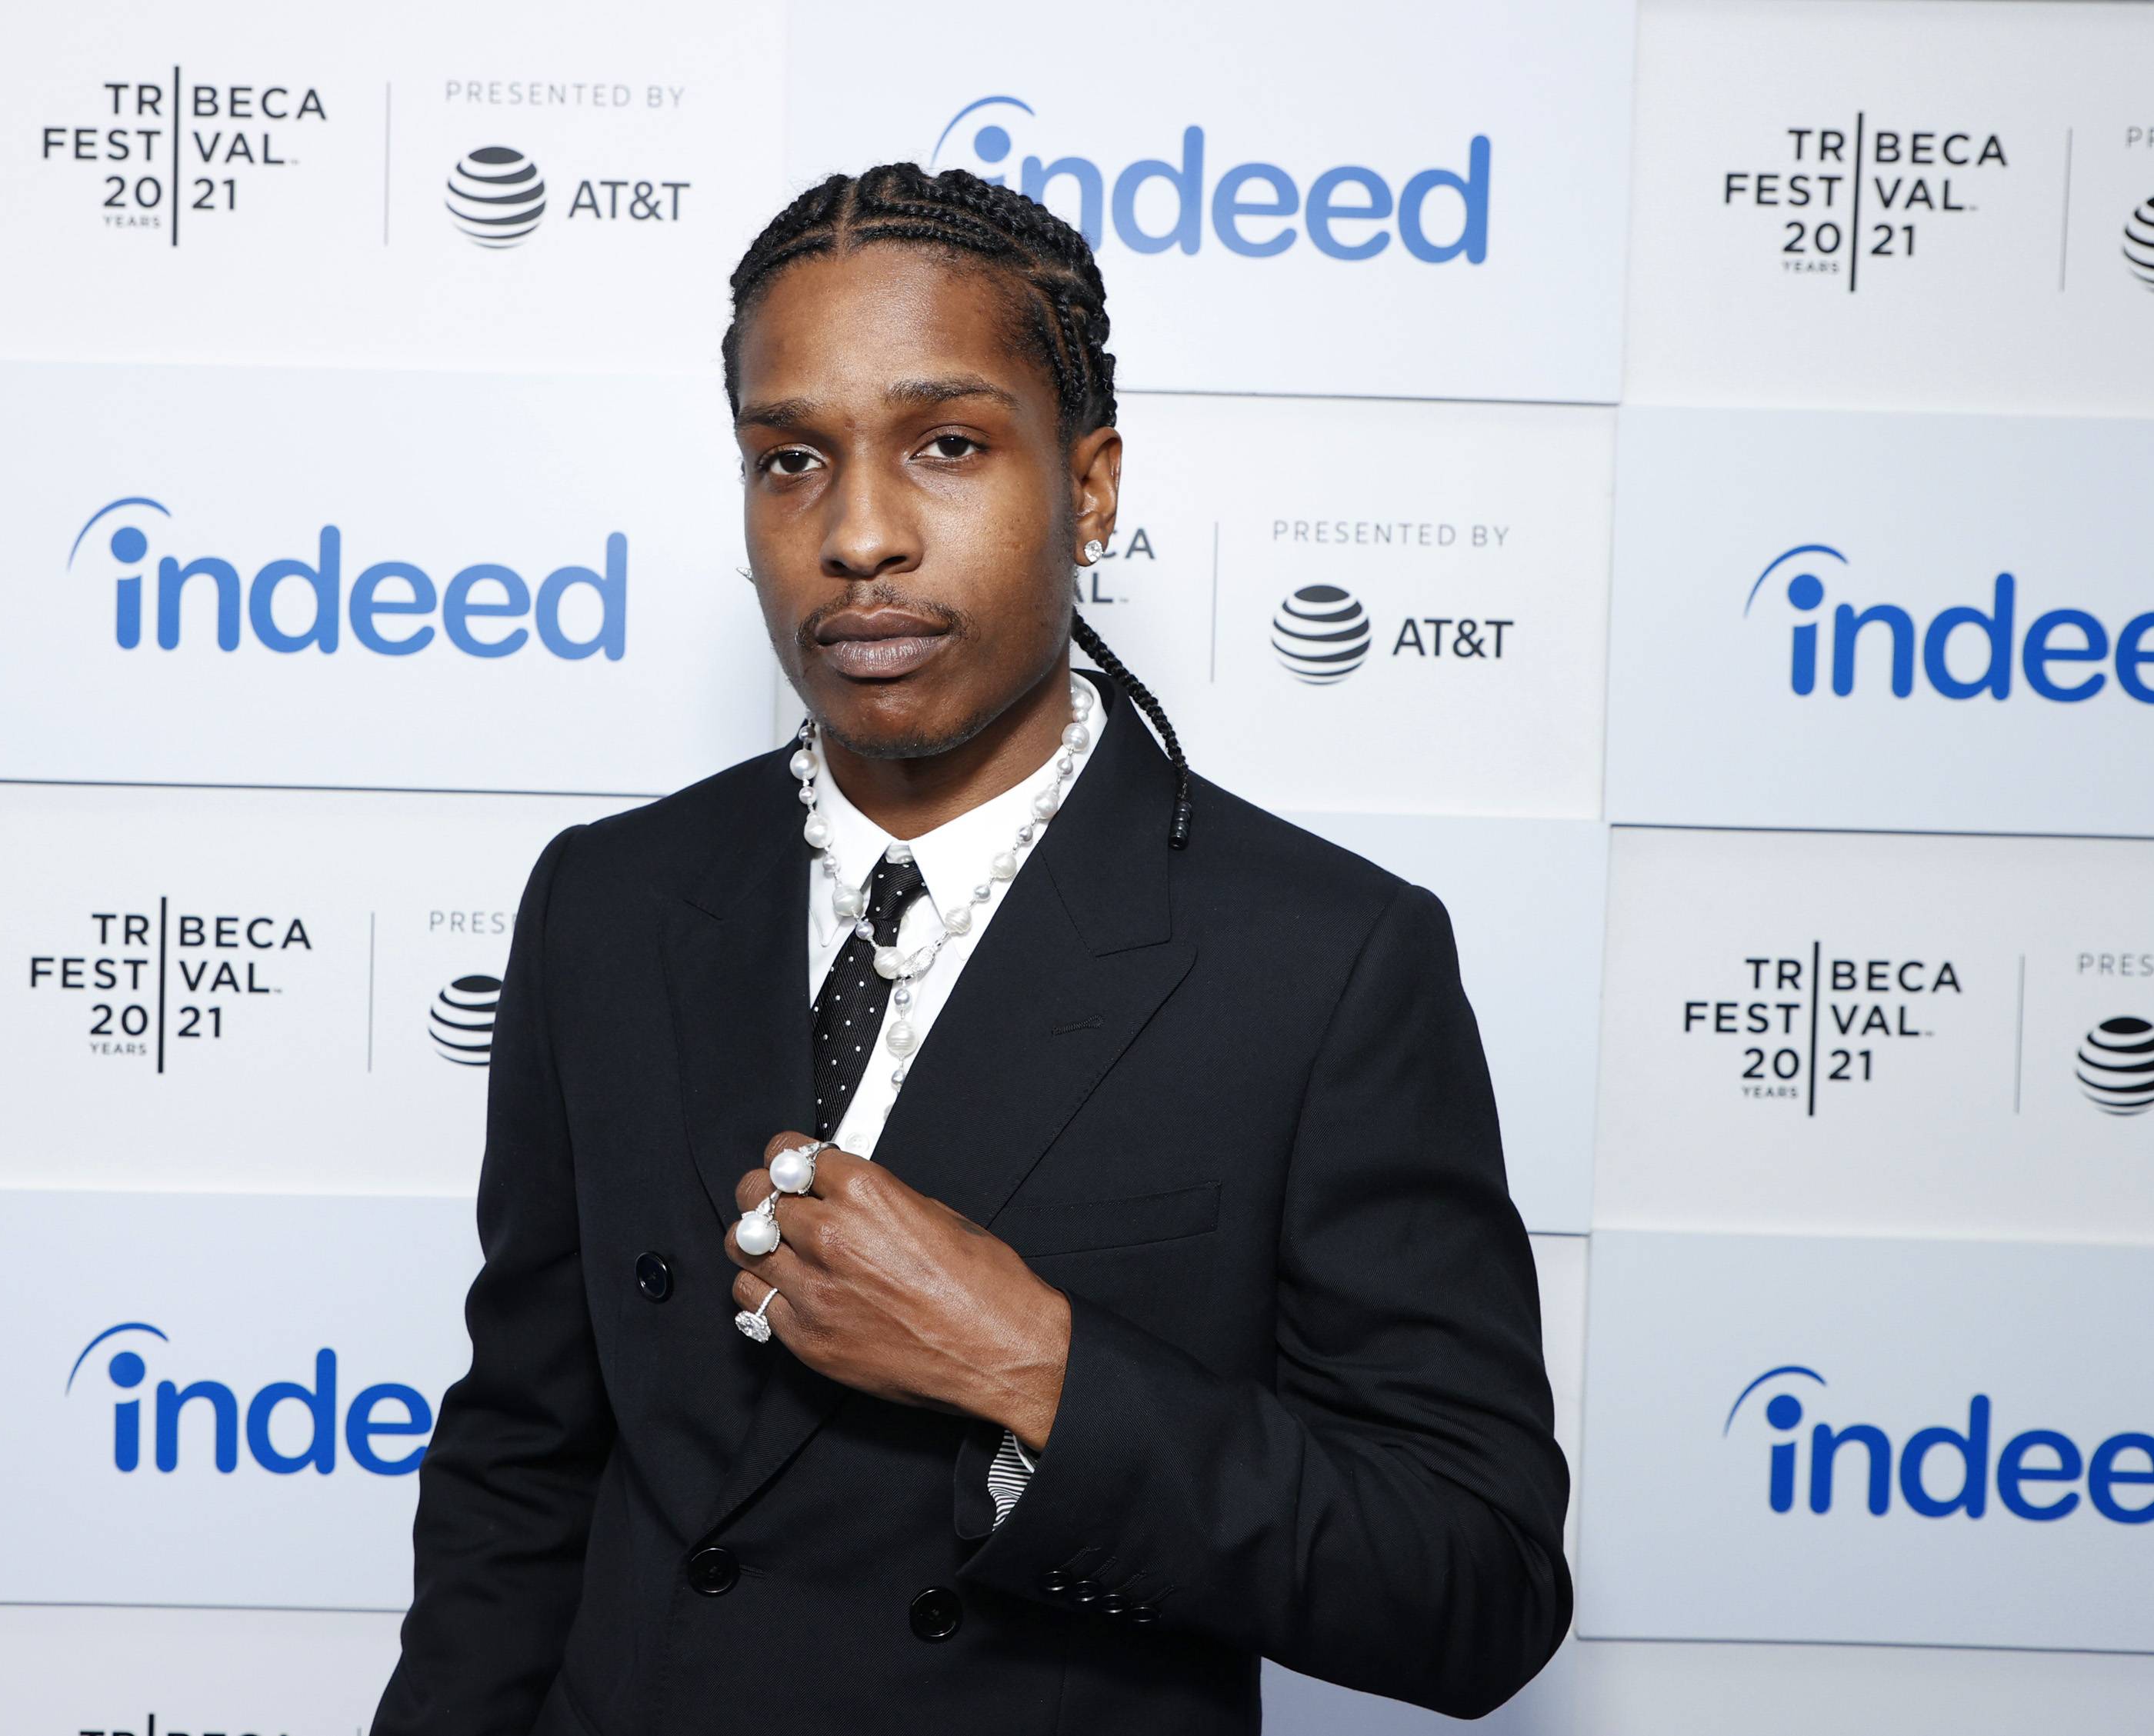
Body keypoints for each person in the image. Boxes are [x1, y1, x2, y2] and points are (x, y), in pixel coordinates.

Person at [372, 162, 1569, 1736]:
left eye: (947, 445)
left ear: (1087, 488)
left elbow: (1474, 1583)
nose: (859, 534)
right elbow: (518, 1479)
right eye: (790, 458)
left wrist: (1041, 1370)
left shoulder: (1325, 963)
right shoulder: (608, 901)